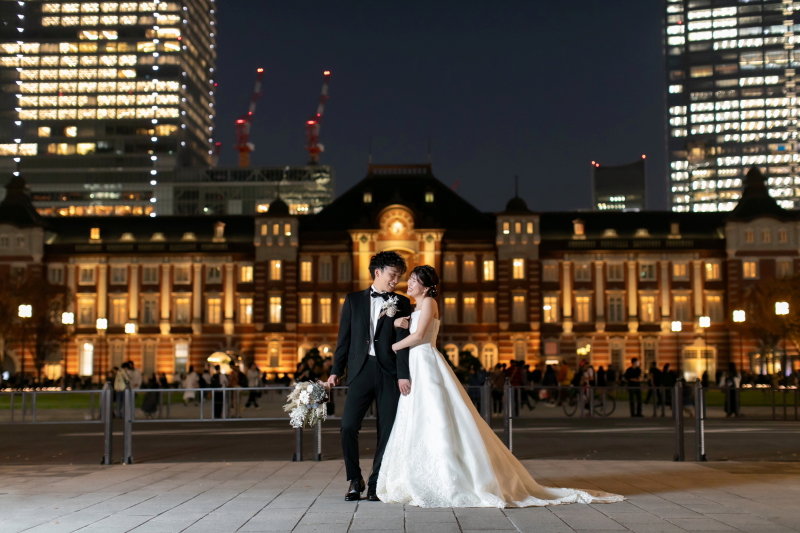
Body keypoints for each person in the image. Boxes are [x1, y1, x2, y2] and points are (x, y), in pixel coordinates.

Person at [377, 265, 623, 507]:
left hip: (426, 360)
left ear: (427, 286)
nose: (408, 284)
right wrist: (400, 324)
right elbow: (416, 329)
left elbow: (420, 336)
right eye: (408, 279)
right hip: (418, 362)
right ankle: (422, 474)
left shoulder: (429, 303)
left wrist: (392, 347)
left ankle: (449, 475)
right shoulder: (418, 305)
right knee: (420, 416)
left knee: (435, 414)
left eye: (414, 280)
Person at [325, 251, 412, 502]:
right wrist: (334, 372)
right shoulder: (353, 300)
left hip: (389, 373)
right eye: (392, 275)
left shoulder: (402, 302)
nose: (396, 280)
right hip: (360, 370)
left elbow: (403, 342)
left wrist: (403, 375)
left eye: (399, 276)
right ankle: (355, 479)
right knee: (347, 426)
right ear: (378, 272)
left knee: (387, 430)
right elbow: (344, 340)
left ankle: (376, 482)